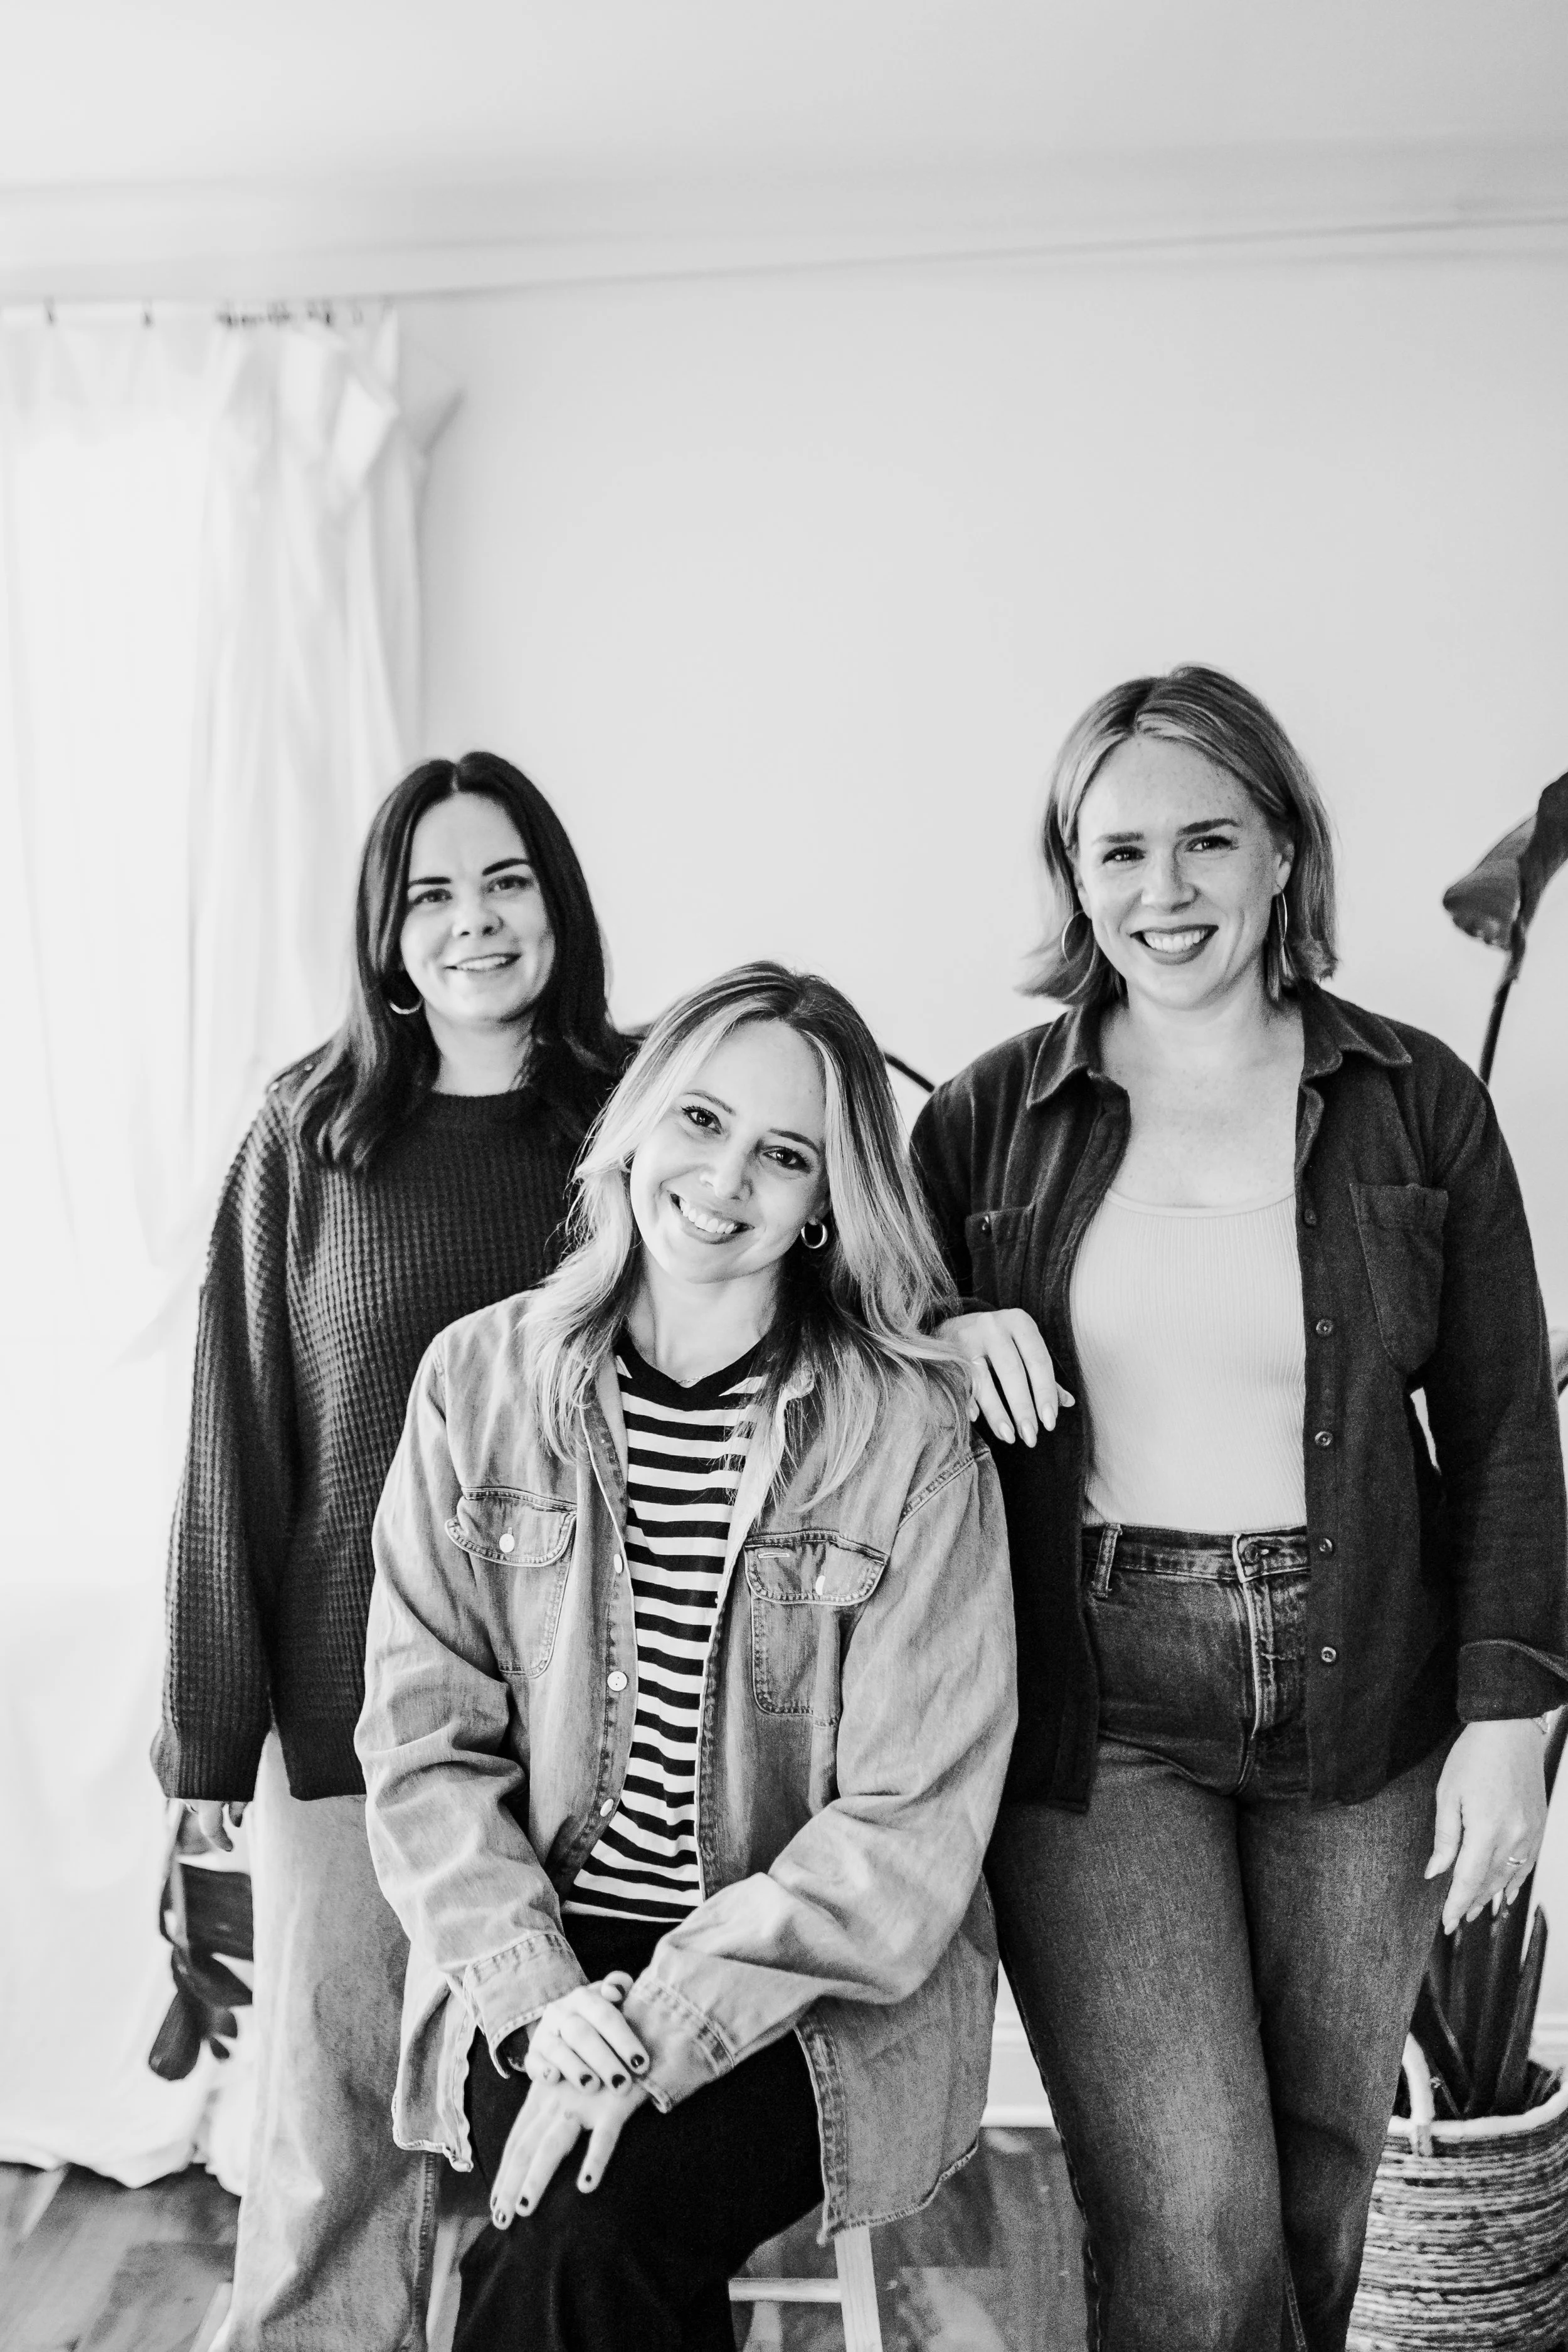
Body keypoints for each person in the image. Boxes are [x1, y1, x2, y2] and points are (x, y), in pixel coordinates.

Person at [911, 665, 1568, 2352]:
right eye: (1116, 849)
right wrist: (933, 1328)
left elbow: (1501, 1421)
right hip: (1098, 1705)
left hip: (1370, 1689)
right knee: (1192, 2221)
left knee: (1311, 2190)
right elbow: (836, 1356)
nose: (1163, 890)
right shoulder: (989, 1116)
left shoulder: (1414, 1095)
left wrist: (1511, 1710)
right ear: (1071, 871)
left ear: (1283, 848)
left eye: (1207, 839)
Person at [356, 961, 1017, 2352]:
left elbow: (905, 1825)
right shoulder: (475, 1384)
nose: (725, 1180)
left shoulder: (905, 1438)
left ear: (827, 1200)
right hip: (541, 1943)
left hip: (807, 1987)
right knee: (586, 2238)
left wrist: (664, 2024)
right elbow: (423, 1755)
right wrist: (546, 2007)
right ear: (639, 1124)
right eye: (703, 1122)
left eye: (785, 1154)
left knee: (577, 2234)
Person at [154, 752, 627, 2352]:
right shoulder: (307, 1133)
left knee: (553, 2139)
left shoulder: (643, 1124)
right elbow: (238, 1440)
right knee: (329, 2134)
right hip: (344, 1719)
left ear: (556, 904)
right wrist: (209, 1739)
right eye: (430, 894)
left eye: (504, 883)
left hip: (591, 1717)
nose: (473, 923)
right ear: (384, 933)